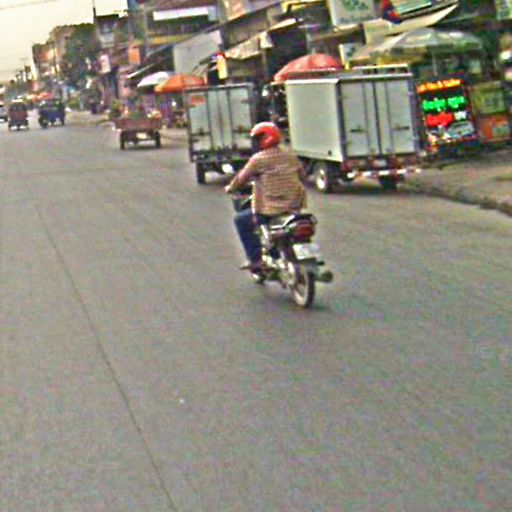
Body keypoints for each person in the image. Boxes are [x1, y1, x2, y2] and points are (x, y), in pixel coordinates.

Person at [225, 122, 307, 271]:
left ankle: (255, 259)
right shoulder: (290, 155)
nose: (256, 143)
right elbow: (302, 176)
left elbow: (241, 179)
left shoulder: (258, 159)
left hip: (271, 209)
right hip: (294, 207)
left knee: (241, 220)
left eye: (258, 139)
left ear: (265, 138)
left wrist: (230, 188)